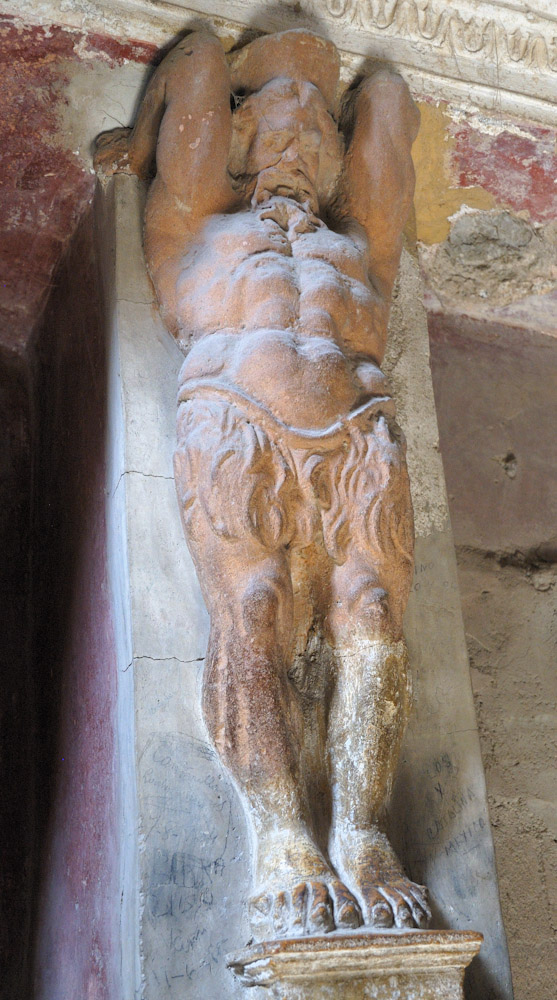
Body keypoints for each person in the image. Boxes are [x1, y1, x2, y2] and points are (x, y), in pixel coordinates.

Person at [95, 27, 429, 939]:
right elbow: (201, 56)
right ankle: (283, 838)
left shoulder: (362, 246)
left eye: (315, 138)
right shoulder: (194, 227)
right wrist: (152, 126)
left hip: (359, 435)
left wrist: (332, 94)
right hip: (239, 426)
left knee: (370, 620)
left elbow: (391, 104)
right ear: (235, 140)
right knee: (252, 606)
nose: (295, 148)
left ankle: (362, 834)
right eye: (273, 132)